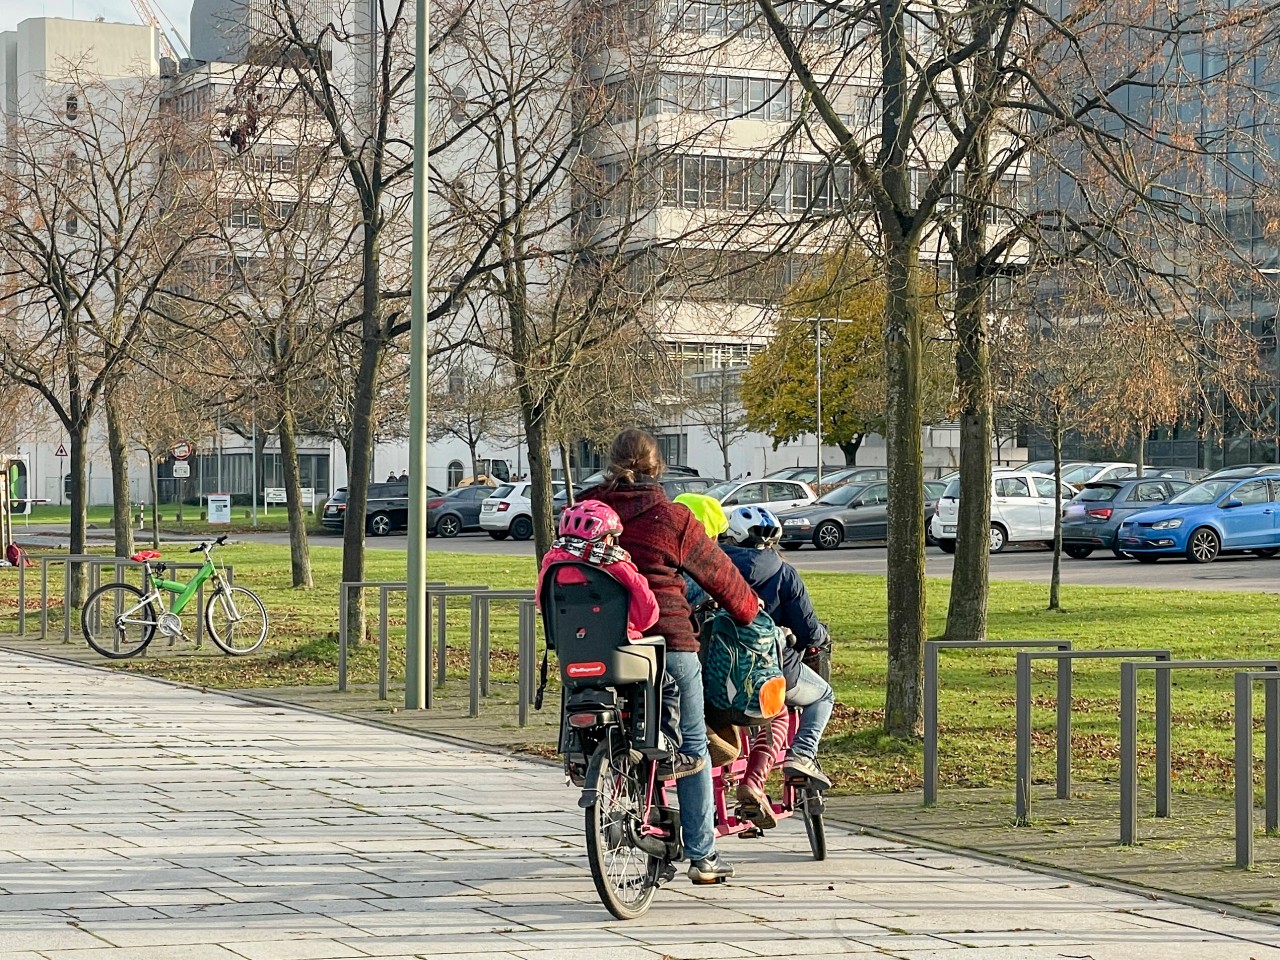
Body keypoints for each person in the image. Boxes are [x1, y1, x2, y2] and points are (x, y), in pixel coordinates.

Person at [581, 428, 759, 885]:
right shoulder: (671, 519)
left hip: (599, 644)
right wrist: (748, 610)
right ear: (657, 467)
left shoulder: (583, 512)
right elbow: (724, 579)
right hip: (667, 643)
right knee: (693, 743)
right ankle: (703, 856)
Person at [677, 496, 836, 829]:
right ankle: (800, 756)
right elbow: (808, 632)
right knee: (812, 698)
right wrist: (820, 637)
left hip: (704, 676)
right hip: (768, 674)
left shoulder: (705, 568)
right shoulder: (783, 573)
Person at [535, 500, 699, 780]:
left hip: (572, 656)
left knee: (574, 691)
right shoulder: (617, 565)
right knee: (666, 685)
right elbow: (648, 615)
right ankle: (666, 752)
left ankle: (575, 756)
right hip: (620, 656)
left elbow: (543, 605)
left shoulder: (552, 567)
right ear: (607, 538)